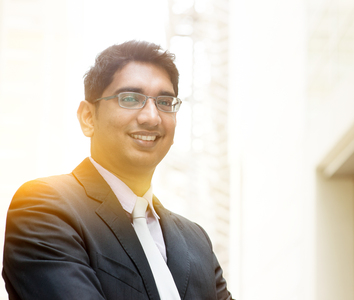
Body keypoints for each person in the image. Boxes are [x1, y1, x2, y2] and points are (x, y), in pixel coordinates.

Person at [2, 40, 233, 300]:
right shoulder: (44, 208)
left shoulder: (196, 241)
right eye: (131, 99)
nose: (151, 117)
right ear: (88, 117)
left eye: (165, 102)